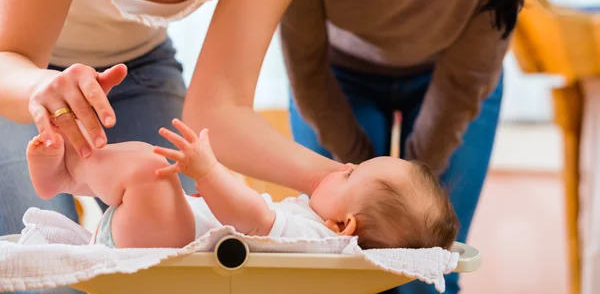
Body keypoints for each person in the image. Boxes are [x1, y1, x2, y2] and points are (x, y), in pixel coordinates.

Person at [0, 0, 346, 293]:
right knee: (37, 275)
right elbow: (12, 56)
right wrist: (39, 87)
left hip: (134, 65)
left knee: (184, 262)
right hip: (15, 74)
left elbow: (220, 111)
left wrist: (341, 181)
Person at [279, 0, 560, 293]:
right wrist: (366, 181)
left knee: (429, 266)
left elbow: (463, 82)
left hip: (452, 81)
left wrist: (408, 197)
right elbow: (305, 63)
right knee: (336, 257)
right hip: (334, 75)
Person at [25, 118, 459, 252]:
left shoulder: (313, 241)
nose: (342, 164)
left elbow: (251, 215)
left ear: (344, 225)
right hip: (164, 236)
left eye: (351, 173)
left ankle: (66, 175)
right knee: (147, 164)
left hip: (163, 247)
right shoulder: (312, 222)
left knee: (145, 168)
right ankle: (70, 176)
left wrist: (208, 170)